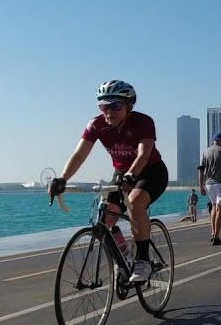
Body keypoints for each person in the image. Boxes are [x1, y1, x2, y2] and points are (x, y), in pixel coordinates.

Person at [50, 80, 168, 283]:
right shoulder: (96, 125)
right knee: (106, 218)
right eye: (104, 106)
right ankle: (123, 254)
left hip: (151, 171)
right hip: (121, 173)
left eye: (116, 106)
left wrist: (131, 175)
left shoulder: (143, 122)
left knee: (136, 202)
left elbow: (143, 154)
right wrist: (63, 178)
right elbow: (79, 154)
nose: (109, 111)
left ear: (129, 106)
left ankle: (142, 260)